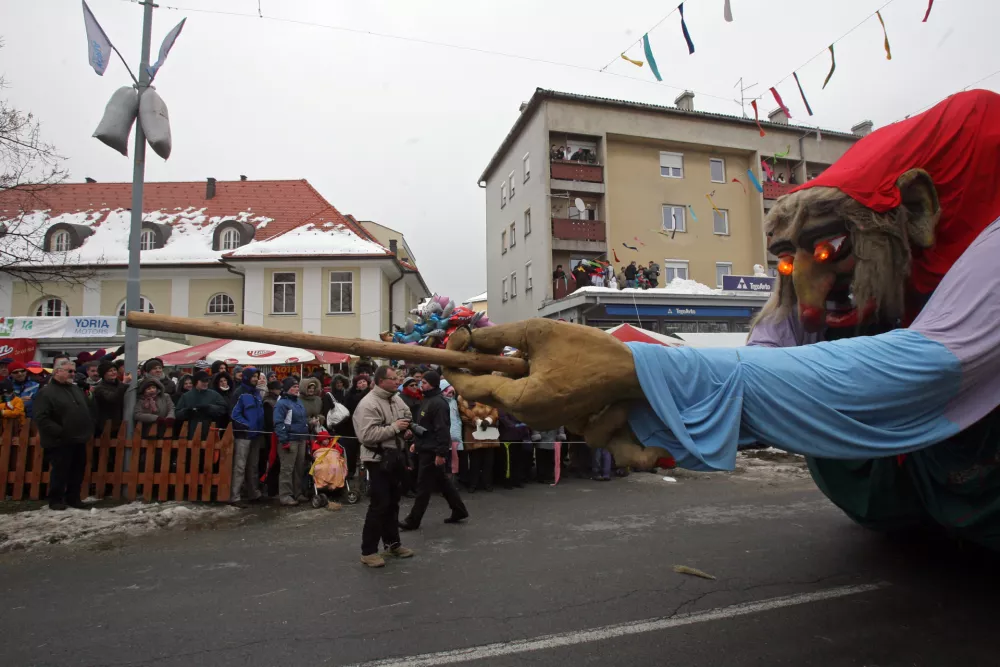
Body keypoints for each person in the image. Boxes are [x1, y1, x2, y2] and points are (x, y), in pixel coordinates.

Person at [355, 365, 415, 568]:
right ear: (381, 381)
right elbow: (366, 436)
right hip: (377, 459)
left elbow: (407, 415)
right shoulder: (368, 404)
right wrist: (394, 428)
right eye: (393, 378)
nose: (397, 381)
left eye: (398, 378)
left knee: (393, 503)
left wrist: (406, 429)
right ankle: (368, 551)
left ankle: (393, 544)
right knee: (379, 505)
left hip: (396, 456)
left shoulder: (395, 398)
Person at [399, 371, 468, 530]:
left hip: (432, 452)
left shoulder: (438, 403)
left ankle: (413, 520)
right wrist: (416, 442)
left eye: (424, 382)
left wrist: (440, 453)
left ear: (432, 384)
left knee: (423, 487)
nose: (420, 385)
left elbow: (442, 430)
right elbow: (425, 427)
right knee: (443, 482)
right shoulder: (427, 400)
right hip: (425, 448)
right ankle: (459, 510)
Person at [34, 358, 96, 510]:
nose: (73, 374)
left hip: (79, 437)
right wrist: (59, 431)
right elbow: (42, 417)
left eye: (74, 371)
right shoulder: (47, 392)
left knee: (77, 470)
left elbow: (85, 408)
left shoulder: (75, 389)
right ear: (58, 371)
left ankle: (73, 498)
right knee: (60, 471)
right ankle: (56, 500)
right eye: (69, 371)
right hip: (59, 440)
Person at [230, 367, 267, 508]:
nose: (256, 379)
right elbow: (234, 414)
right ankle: (235, 496)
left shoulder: (256, 393)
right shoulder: (239, 393)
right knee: (240, 466)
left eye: (257, 376)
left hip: (256, 435)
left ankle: (253, 493)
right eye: (253, 376)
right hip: (243, 435)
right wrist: (246, 426)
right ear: (246, 377)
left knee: (253, 466)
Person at [273, 377, 310, 506]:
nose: (296, 389)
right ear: (287, 389)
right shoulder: (282, 403)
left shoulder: (298, 402)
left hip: (301, 438)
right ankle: (285, 495)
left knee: (299, 468)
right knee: (287, 469)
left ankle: (297, 492)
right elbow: (278, 423)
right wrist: (284, 440)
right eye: (293, 387)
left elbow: (302, 420)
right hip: (290, 440)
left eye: (296, 387)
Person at [174, 371, 228, 439]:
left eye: (207, 381)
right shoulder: (186, 396)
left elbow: (224, 409)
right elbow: (177, 414)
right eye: (203, 381)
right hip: (190, 432)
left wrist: (210, 408)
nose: (205, 383)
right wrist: (187, 411)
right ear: (196, 381)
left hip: (210, 431)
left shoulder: (214, 395)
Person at [92, 361, 129, 438]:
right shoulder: (100, 388)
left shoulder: (119, 384)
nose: (113, 372)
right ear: (103, 373)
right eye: (110, 371)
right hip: (107, 426)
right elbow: (112, 398)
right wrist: (124, 383)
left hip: (122, 423)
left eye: (114, 370)